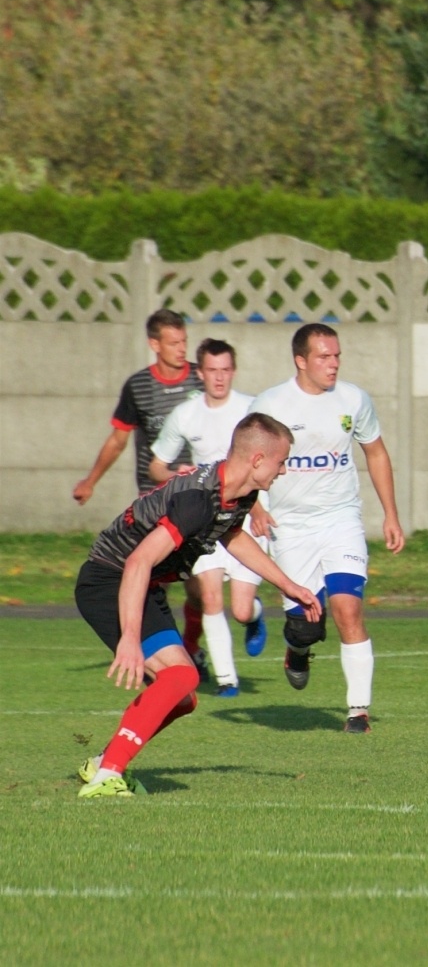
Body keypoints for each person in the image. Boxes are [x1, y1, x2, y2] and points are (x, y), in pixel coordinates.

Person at [75, 413, 321, 797]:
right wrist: (129, 638)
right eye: (281, 461)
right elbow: (137, 561)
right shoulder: (196, 501)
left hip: (143, 585)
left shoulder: (240, 493)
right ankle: (108, 775)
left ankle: (105, 761)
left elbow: (232, 535)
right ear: (258, 459)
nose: (284, 470)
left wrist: (287, 585)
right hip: (110, 580)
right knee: (182, 677)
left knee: (184, 695)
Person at [249, 324, 405, 734]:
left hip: (341, 520)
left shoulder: (354, 400)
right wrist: (254, 507)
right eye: (323, 357)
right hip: (291, 527)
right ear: (300, 361)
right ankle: (297, 649)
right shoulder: (270, 404)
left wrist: (390, 514)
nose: (333, 364)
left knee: (347, 608)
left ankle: (358, 711)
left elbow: (376, 453)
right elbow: (244, 461)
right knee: (306, 626)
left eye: (336, 356)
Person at [72, 308, 210, 673]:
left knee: (199, 587)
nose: (182, 349)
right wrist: (91, 480)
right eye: (173, 342)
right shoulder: (138, 387)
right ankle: (163, 655)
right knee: (149, 581)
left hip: (195, 500)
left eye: (184, 341)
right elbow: (118, 439)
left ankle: (192, 646)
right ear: (154, 344)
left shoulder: (201, 379)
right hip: (155, 503)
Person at [150, 338, 270, 697]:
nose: (219, 378)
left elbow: (267, 466)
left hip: (246, 517)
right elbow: (156, 466)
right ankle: (227, 681)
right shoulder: (186, 414)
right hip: (204, 518)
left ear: (233, 371)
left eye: (226, 370)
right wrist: (177, 472)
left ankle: (255, 616)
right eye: (212, 370)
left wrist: (261, 507)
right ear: (200, 372)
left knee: (241, 609)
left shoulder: (252, 409)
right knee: (211, 596)